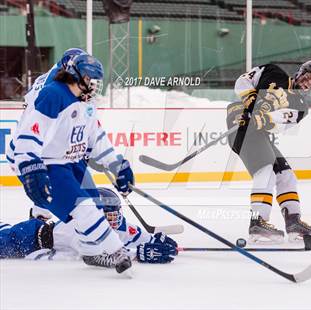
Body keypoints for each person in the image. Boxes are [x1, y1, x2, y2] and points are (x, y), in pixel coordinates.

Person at [10, 54, 134, 274]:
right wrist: (31, 166)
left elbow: (97, 139)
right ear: (76, 76)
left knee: (94, 204)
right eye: (91, 79)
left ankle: (91, 251)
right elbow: (29, 136)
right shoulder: (52, 95)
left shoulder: (86, 104)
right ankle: (117, 251)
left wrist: (118, 166)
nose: (95, 85)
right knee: (84, 210)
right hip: (47, 165)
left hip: (70, 163)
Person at [226, 61, 311, 244]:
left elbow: (282, 123)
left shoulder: (301, 106)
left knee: (285, 175)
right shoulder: (272, 71)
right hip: (240, 122)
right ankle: (258, 222)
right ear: (300, 72)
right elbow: (242, 81)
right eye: (308, 77)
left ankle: (293, 221)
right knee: (265, 170)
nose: (308, 83)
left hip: (259, 130)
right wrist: (250, 99)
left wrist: (263, 119)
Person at [6, 47, 87, 221]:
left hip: (25, 147)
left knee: (51, 192)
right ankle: (39, 228)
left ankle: (41, 221)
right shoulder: (56, 85)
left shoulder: (53, 76)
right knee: (57, 196)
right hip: (29, 151)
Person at [0, 188, 178, 264]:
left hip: (46, 231)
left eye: (115, 215)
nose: (114, 221)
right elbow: (98, 256)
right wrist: (137, 254)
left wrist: (156, 240)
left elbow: (135, 235)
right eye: (108, 216)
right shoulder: (83, 228)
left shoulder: (116, 224)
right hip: (29, 238)